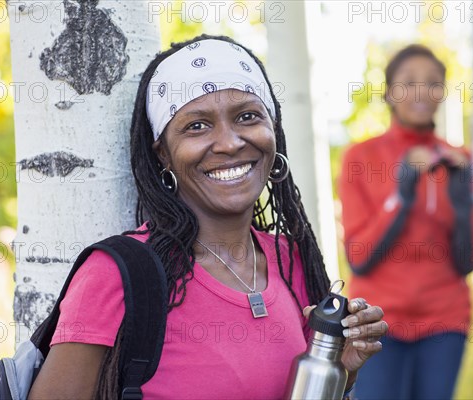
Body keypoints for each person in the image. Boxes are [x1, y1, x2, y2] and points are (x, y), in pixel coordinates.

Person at [28, 34, 388, 399]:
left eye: (247, 117)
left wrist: (339, 370)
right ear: (164, 155)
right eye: (197, 125)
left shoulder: (292, 259)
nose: (230, 142)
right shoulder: (117, 273)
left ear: (273, 132)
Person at [337, 44, 473, 400]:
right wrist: (402, 195)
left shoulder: (460, 160)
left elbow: (470, 261)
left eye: (433, 83)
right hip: (376, 320)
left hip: (444, 321)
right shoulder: (361, 156)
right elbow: (359, 257)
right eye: (410, 82)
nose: (422, 92)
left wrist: (462, 202)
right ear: (389, 92)